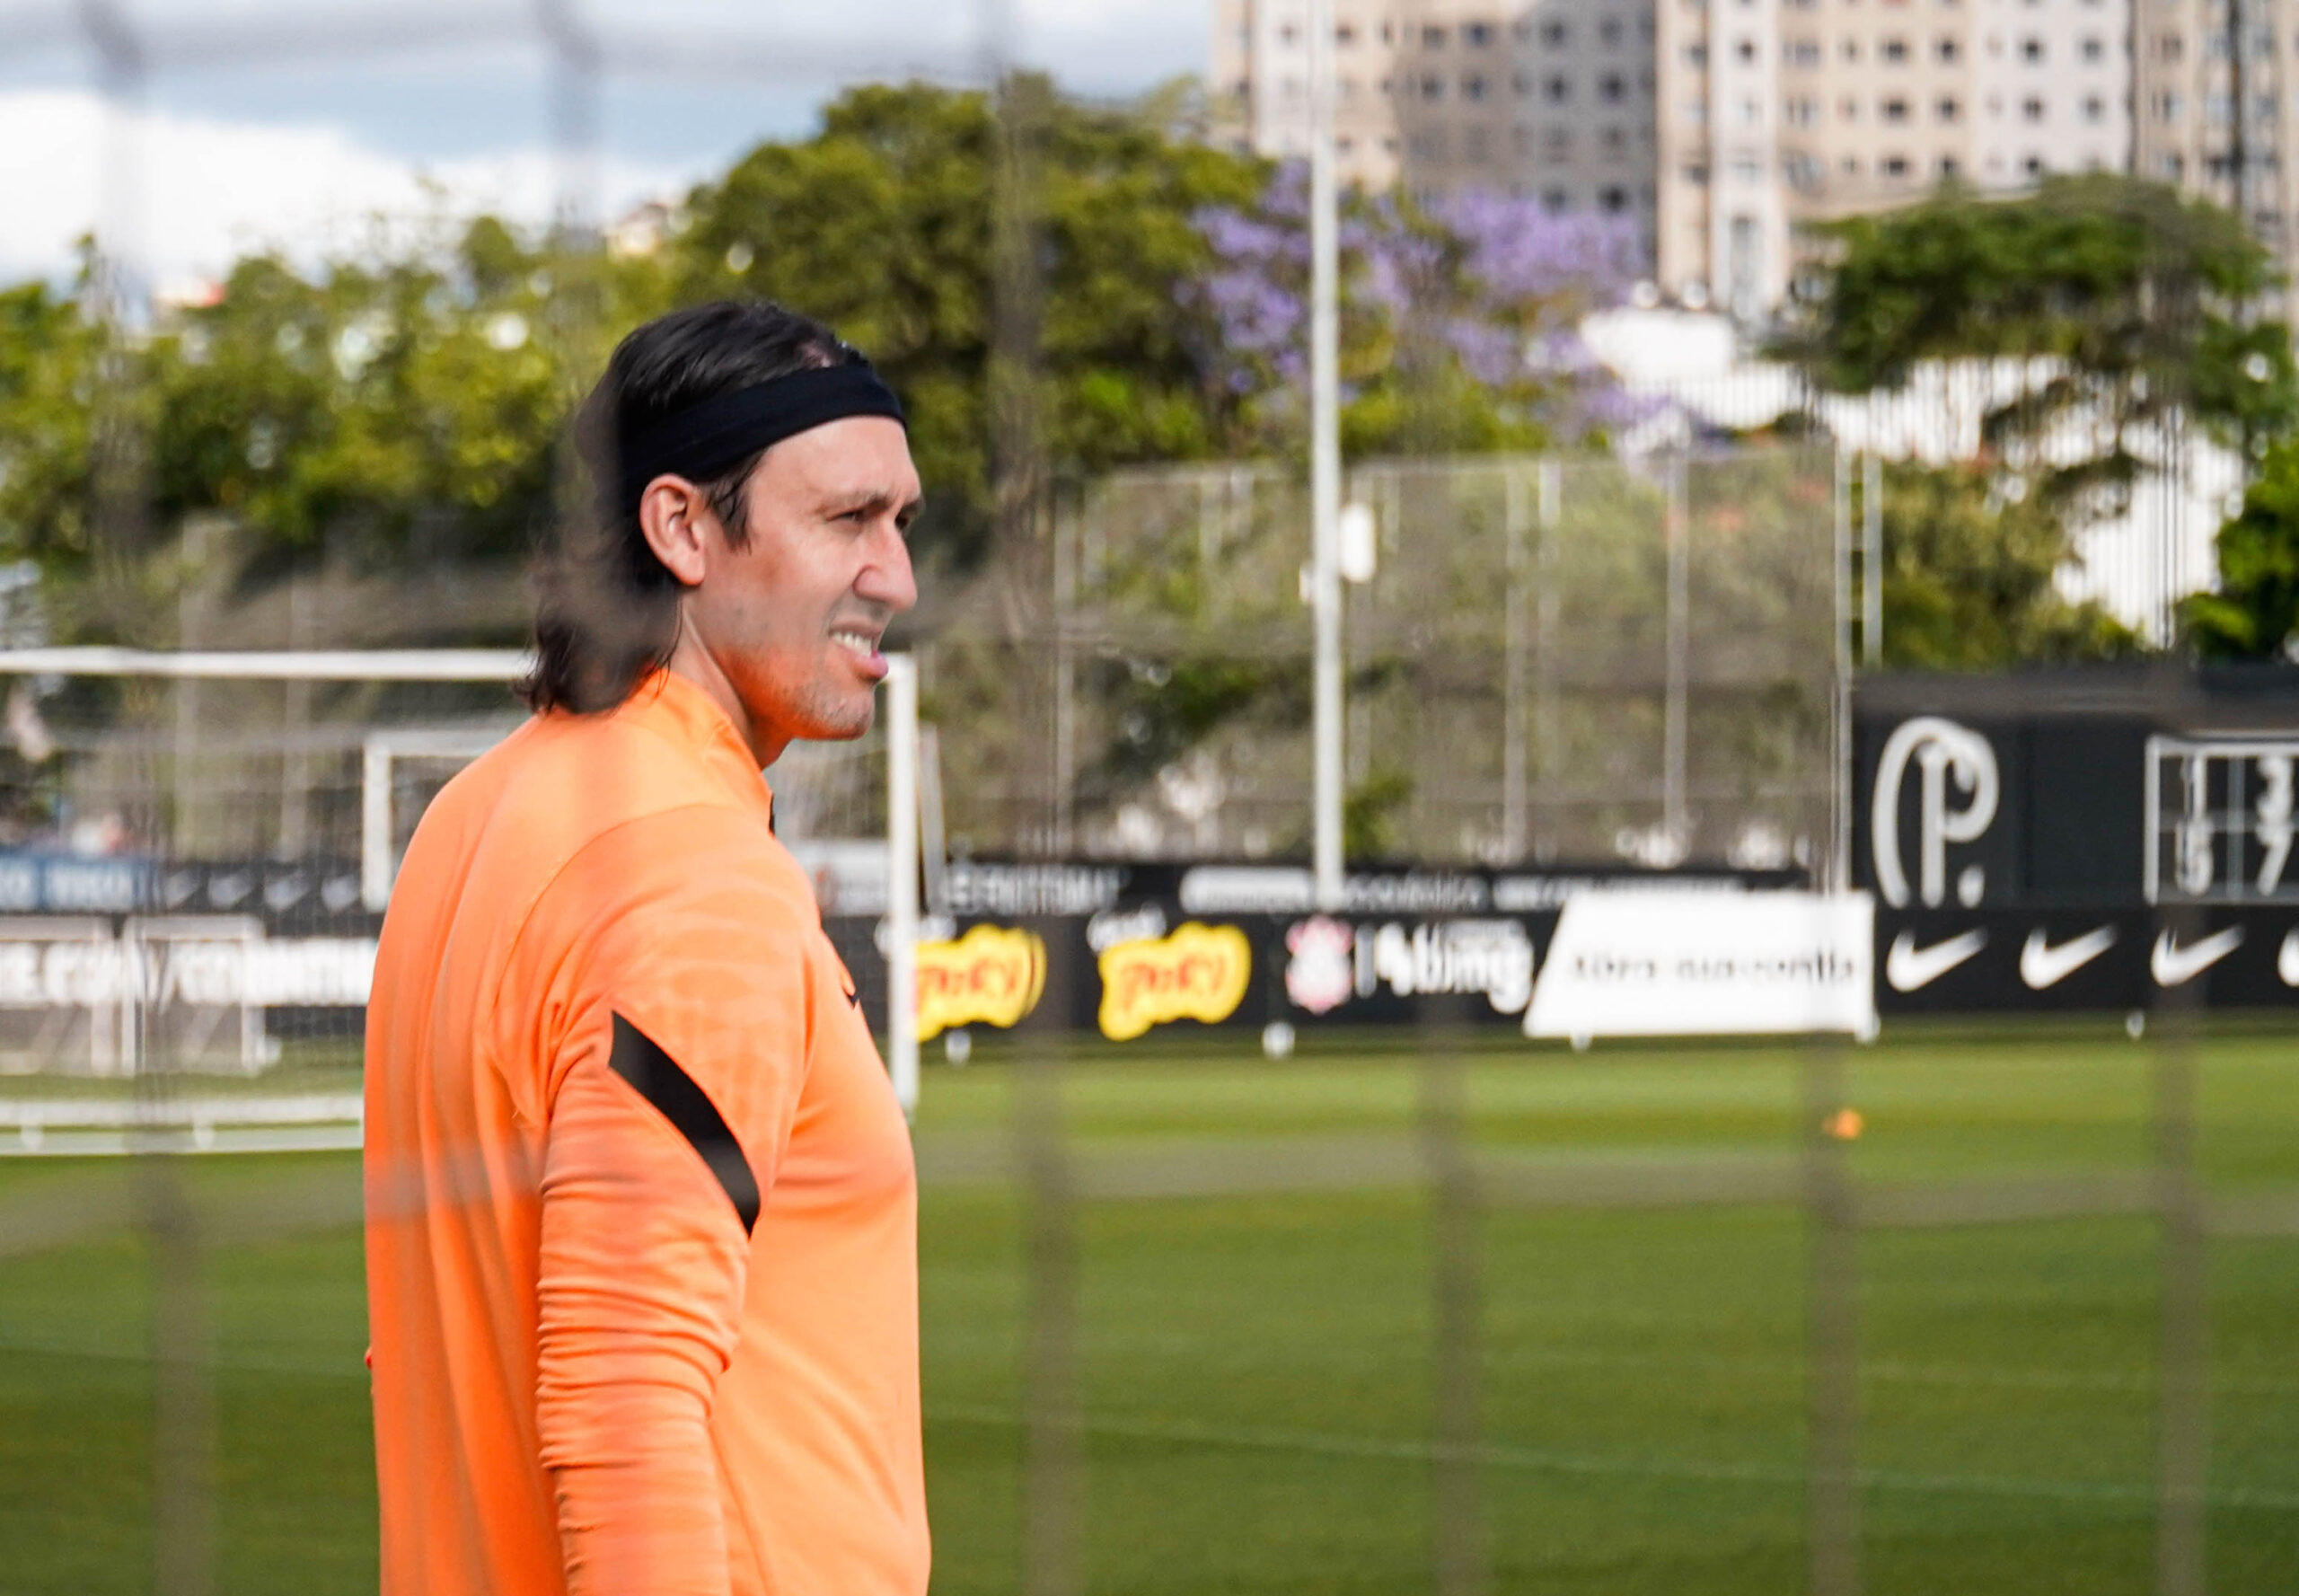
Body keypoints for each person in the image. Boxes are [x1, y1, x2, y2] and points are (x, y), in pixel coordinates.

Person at [363, 300, 928, 1596]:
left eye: (903, 523)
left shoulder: (474, 817)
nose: (896, 575)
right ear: (681, 527)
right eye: (848, 520)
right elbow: (628, 1395)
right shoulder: (689, 874)